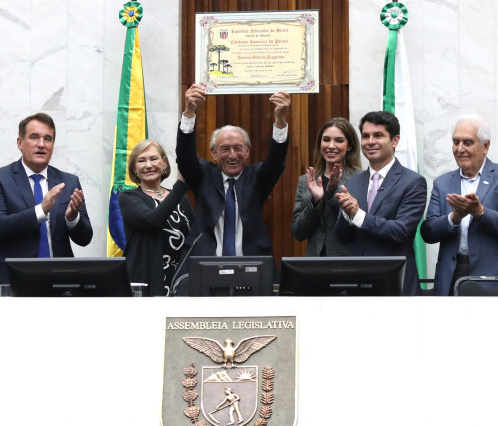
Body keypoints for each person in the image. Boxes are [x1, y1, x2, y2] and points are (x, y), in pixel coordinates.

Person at [0, 113, 93, 296]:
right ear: (20, 143)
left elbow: (85, 238)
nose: (41, 144)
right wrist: (40, 210)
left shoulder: (69, 182)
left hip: (60, 287)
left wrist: (73, 219)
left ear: (53, 146)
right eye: (34, 137)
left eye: (48, 139)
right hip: (10, 284)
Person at [176, 84, 290, 259]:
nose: (232, 155)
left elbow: (276, 160)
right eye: (225, 149)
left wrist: (280, 120)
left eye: (238, 148)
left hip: (251, 264)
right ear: (213, 153)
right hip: (207, 264)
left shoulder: (257, 177)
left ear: (247, 151)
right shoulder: (204, 175)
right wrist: (189, 112)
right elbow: (184, 158)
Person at [422, 115, 498, 296]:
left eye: (467, 142)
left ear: (485, 146)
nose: (460, 149)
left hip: (494, 278)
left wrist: (480, 211)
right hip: (451, 274)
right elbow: (428, 232)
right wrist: (454, 217)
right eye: (455, 142)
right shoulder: (442, 183)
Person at [335, 111, 427, 296]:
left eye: (378, 135)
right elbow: (342, 237)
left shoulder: (413, 182)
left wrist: (357, 214)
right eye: (366, 136)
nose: (370, 141)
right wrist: (346, 214)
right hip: (359, 285)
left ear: (395, 140)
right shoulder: (351, 183)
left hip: (396, 283)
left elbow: (401, 231)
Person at [118, 140, 194, 296]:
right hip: (145, 281)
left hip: (180, 280)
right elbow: (152, 220)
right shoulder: (128, 197)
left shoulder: (181, 199)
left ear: (164, 163)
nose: (148, 165)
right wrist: (180, 185)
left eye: (154, 159)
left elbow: (194, 235)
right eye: (141, 161)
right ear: (134, 169)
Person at [291, 117, 363, 256]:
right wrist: (315, 201)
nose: (331, 145)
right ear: (320, 144)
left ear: (349, 146)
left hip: (349, 265)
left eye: (339, 140)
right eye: (326, 139)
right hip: (315, 265)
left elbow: (359, 228)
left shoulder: (361, 178)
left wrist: (331, 192)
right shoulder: (305, 180)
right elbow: (298, 233)